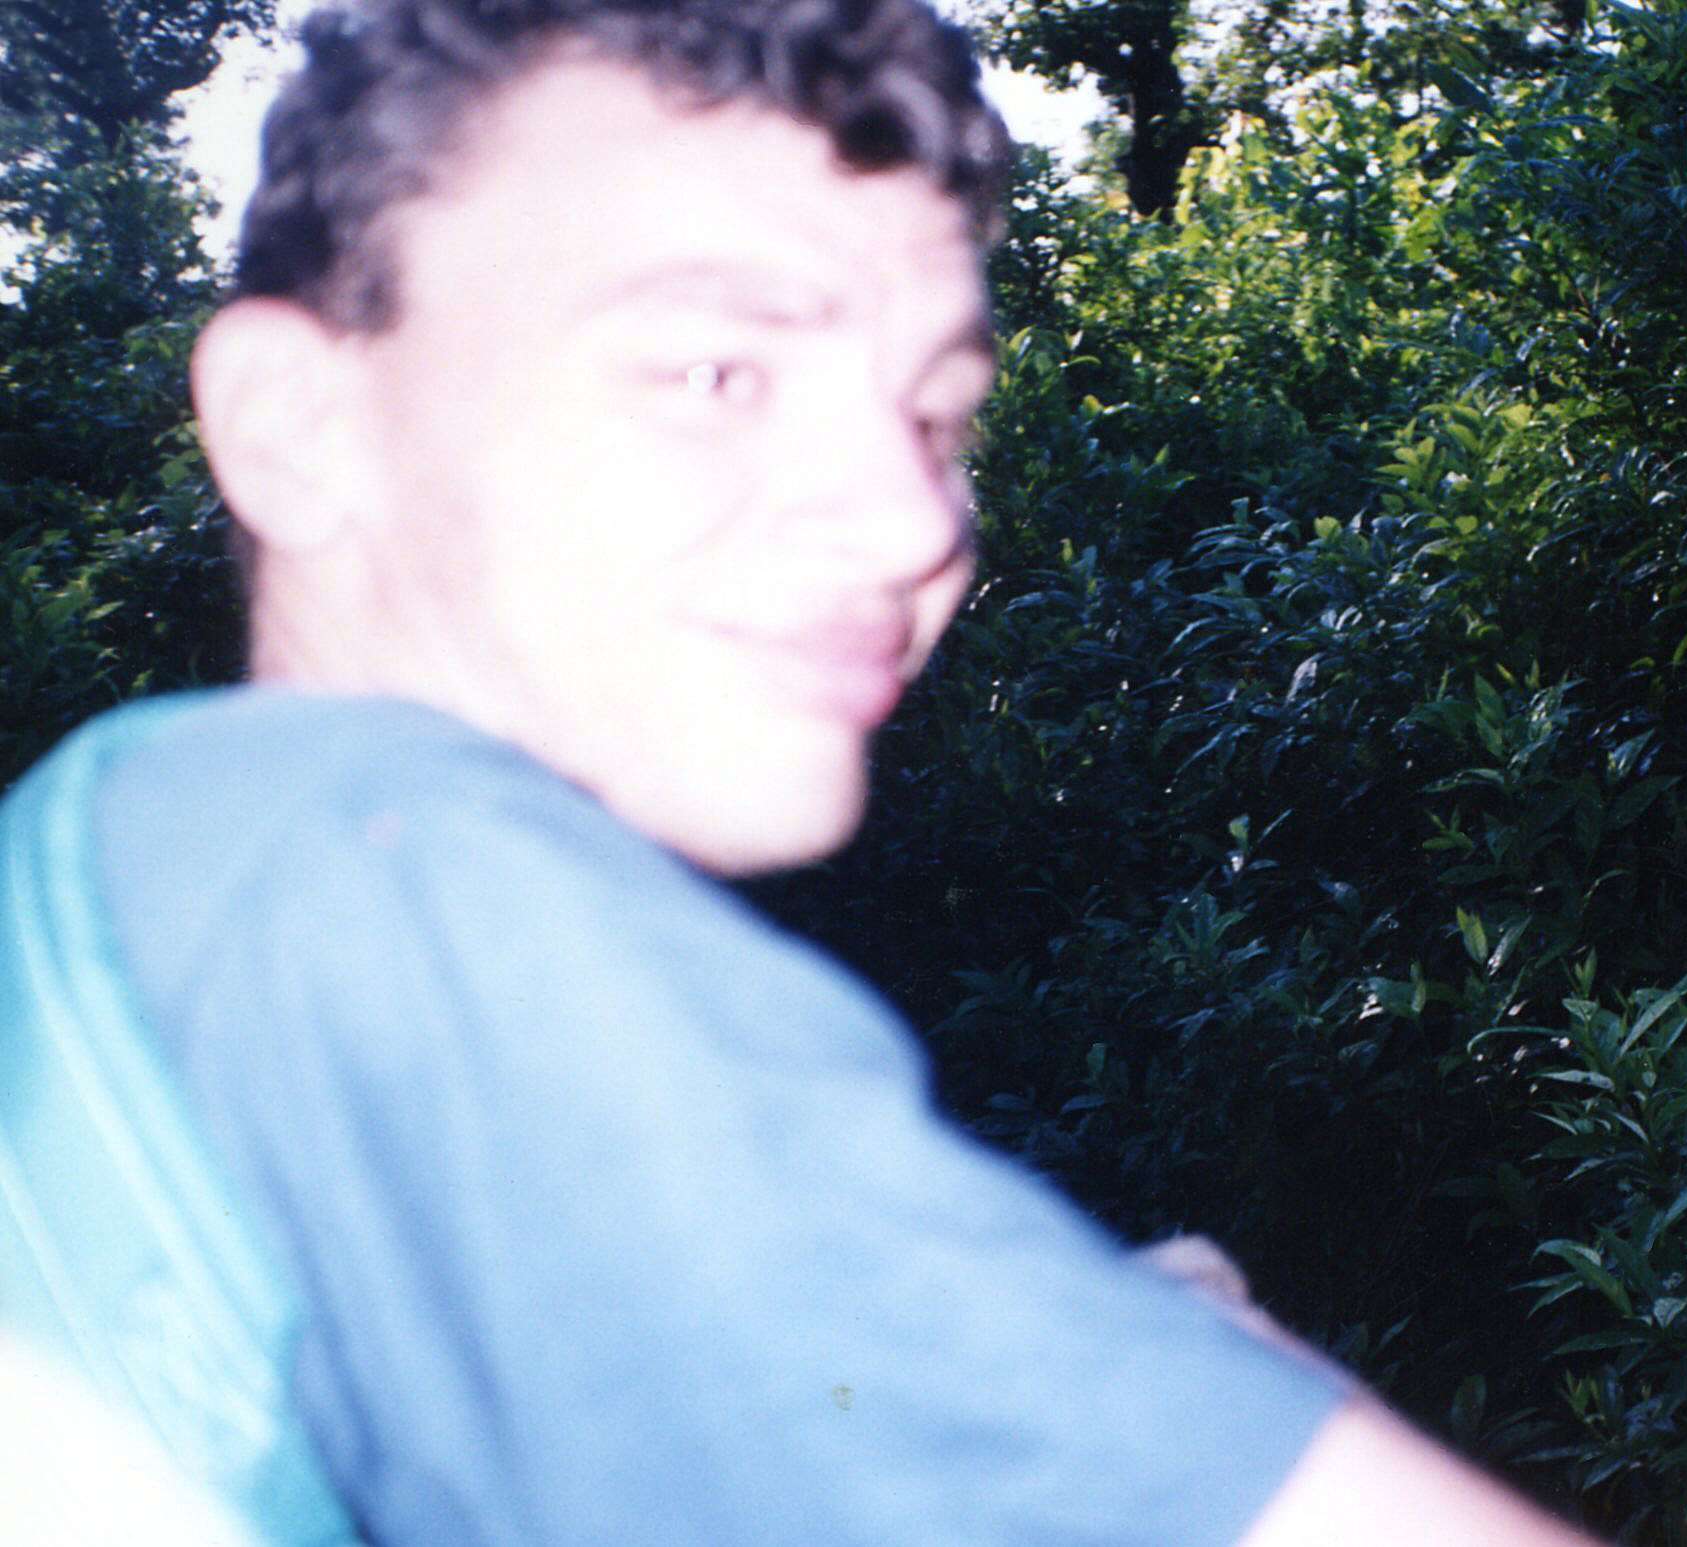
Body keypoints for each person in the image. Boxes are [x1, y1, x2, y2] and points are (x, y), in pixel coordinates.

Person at [7, 1, 1601, 1542]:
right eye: (716, 374)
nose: (914, 525)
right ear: (296, 427)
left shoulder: (119, 862)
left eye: (938, 418)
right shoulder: (390, 884)